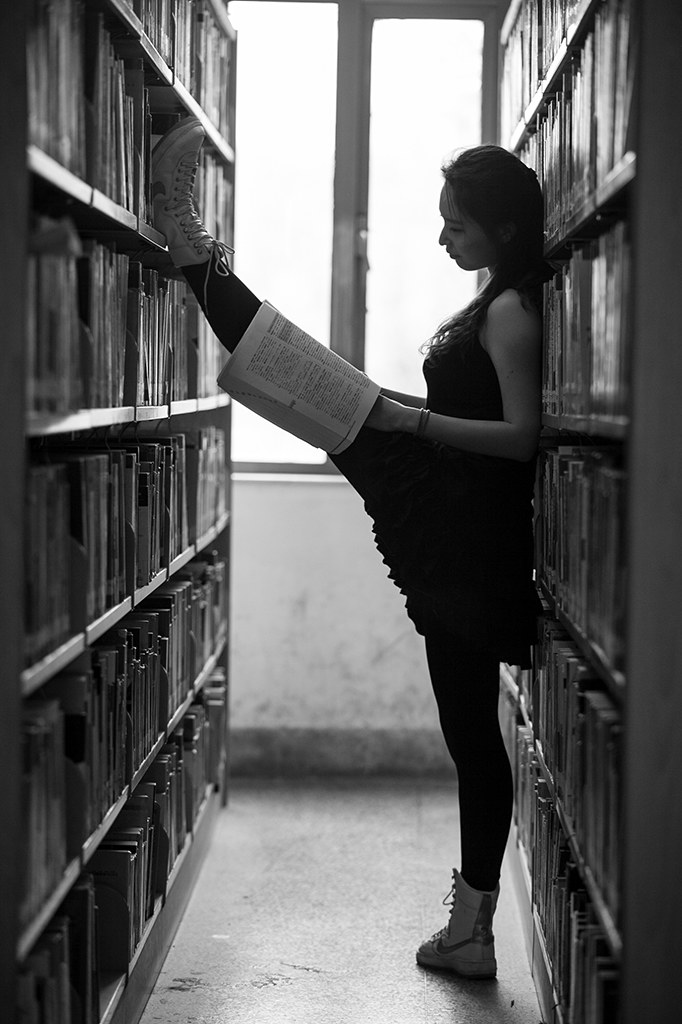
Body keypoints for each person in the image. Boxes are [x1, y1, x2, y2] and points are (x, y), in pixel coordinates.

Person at [151, 116, 549, 979]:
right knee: (310, 377)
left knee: (471, 737)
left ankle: (471, 930)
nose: (443, 238)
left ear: (506, 228)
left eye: (458, 225)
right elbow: (480, 412)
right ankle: (195, 253)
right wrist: (401, 411)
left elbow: (521, 437)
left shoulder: (512, 309)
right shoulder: (499, 298)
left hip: (463, 530)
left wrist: (410, 421)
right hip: (452, 517)